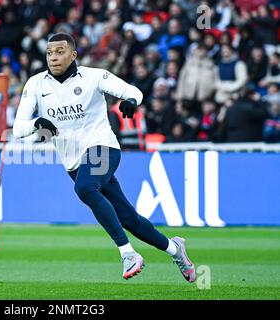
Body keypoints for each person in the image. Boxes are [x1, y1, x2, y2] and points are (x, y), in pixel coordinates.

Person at [12, 33, 196, 282]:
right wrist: (37, 122)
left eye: (59, 51)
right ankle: (176, 250)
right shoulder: (35, 84)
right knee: (129, 218)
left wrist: (131, 100)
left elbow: (132, 91)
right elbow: (18, 128)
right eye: (49, 52)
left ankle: (128, 253)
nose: (53, 57)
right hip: (74, 162)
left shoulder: (94, 76)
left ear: (73, 55)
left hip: (103, 147)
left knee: (85, 188)